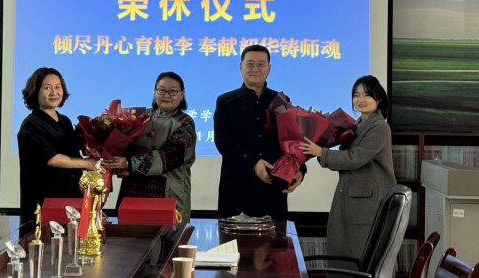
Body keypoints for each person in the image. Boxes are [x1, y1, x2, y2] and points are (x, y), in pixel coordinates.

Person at [299, 75, 396, 273]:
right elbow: (341, 153)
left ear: (378, 99)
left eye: (367, 95)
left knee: (361, 258)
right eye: (356, 95)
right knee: (346, 254)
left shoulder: (379, 127)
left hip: (367, 205)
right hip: (354, 201)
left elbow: (354, 158)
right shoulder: (357, 125)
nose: (360, 99)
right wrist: (322, 125)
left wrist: (321, 152)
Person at [214, 44, 305, 220]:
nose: (255, 69)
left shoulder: (281, 100)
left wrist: (299, 168)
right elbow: (222, 140)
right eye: (249, 64)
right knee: (233, 237)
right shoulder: (226, 101)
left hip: (272, 185)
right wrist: (254, 163)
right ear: (241, 67)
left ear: (269, 69)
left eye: (261, 64)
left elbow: (291, 140)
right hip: (236, 186)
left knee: (274, 236)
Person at [105, 71, 196, 224]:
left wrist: (127, 163)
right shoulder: (139, 117)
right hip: (132, 192)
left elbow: (166, 158)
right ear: (155, 92)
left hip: (166, 194)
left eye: (173, 91)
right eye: (161, 90)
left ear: (182, 94)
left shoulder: (185, 123)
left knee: (163, 237)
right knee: (128, 236)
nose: (166, 95)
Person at [18, 67, 95, 215]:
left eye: (58, 87)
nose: (54, 93)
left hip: (72, 196)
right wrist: (87, 163)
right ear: (35, 91)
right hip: (44, 200)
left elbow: (75, 155)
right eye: (47, 88)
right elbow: (52, 159)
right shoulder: (30, 124)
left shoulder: (65, 121)